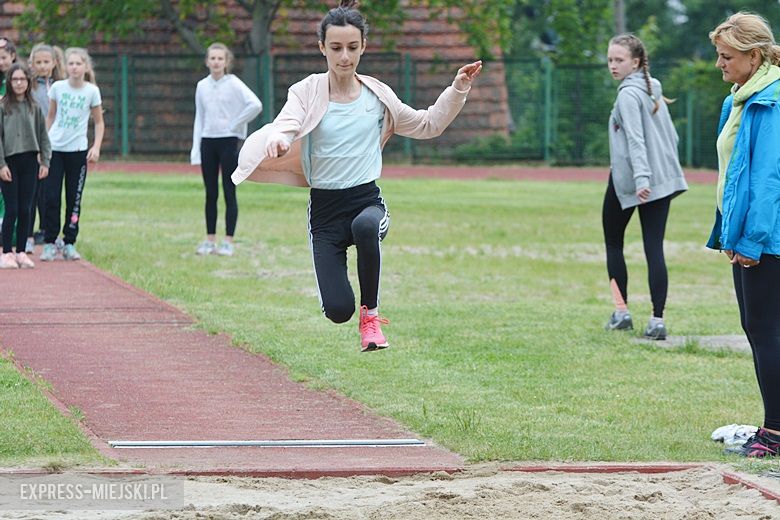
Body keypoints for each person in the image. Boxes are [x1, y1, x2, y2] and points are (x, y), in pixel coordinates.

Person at [231, 0, 482, 351]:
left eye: (352, 47)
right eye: (336, 48)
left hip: (366, 201)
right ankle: (349, 311)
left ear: (363, 46)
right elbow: (288, 122)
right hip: (325, 212)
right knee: (338, 310)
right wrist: (279, 138)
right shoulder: (306, 91)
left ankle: (372, 318)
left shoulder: (377, 96)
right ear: (322, 47)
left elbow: (428, 124)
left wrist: (457, 89)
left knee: (365, 226)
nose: (344, 57)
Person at [707, 12, 780, 457]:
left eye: (726, 56)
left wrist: (751, 240)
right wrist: (727, 233)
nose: (719, 63)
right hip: (749, 236)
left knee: (766, 330)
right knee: (758, 328)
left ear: (754, 57)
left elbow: (767, 179)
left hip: (768, 239)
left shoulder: (770, 102)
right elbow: (731, 175)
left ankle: (774, 433)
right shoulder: (740, 98)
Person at [602, 34, 688, 340]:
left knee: (614, 243)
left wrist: (641, 179)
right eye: (610, 60)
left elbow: (636, 140)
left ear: (636, 62)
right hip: (661, 181)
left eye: (619, 60)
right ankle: (657, 321)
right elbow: (673, 138)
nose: (613, 65)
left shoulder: (628, 95)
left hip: (633, 182)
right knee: (654, 248)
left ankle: (622, 313)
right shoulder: (652, 89)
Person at [191, 42, 262, 257]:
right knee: (210, 193)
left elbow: (255, 105)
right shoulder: (202, 86)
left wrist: (235, 124)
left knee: (229, 191)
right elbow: (199, 117)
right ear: (207, 61)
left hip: (228, 142)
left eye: (220, 58)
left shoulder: (233, 83)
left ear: (226, 62)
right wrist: (196, 149)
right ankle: (209, 240)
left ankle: (228, 242)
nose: (216, 62)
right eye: (212, 58)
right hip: (208, 141)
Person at [40, 47, 103, 262]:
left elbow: (99, 122)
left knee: (74, 198)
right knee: (51, 197)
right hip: (55, 150)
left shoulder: (92, 91)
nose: (74, 67)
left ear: (86, 67)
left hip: (77, 152)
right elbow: (50, 117)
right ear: (65, 66)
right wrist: (43, 144)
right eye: (71, 63)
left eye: (78, 63)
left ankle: (69, 242)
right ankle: (50, 241)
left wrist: (96, 146)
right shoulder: (58, 88)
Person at [0, 63, 51, 269]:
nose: (19, 83)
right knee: (11, 209)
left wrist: (45, 161)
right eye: (15, 79)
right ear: (9, 82)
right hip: (9, 162)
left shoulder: (34, 108)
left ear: (28, 82)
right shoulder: (2, 107)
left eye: (22, 79)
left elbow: (43, 136)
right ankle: (6, 252)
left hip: (30, 161)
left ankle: (21, 251)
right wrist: (1, 164)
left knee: (25, 209)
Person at [25, 43, 65, 254]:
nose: (42, 66)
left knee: (50, 194)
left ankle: (50, 233)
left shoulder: (61, 86)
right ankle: (27, 236)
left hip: (56, 146)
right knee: (31, 192)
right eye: (38, 62)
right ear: (31, 63)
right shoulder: (28, 87)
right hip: (33, 145)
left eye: (46, 62)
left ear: (54, 63)